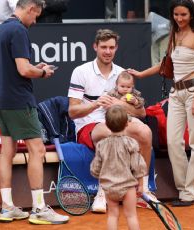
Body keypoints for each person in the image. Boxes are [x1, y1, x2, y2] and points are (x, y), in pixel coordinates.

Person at [0, 0, 69, 225]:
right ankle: (39, 208)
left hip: (3, 98)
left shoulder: (2, 28)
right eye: (36, 16)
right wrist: (42, 72)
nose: (35, 21)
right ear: (30, 9)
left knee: (8, 150)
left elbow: (18, 67)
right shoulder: (18, 29)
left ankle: (7, 208)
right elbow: (23, 69)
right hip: (19, 100)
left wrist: (36, 67)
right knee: (37, 150)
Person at [129, 0, 194, 207]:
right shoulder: (173, 34)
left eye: (183, 15)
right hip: (176, 93)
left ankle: (192, 192)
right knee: (173, 142)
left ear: (191, 14)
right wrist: (140, 74)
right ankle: (183, 188)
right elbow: (164, 64)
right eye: (176, 15)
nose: (180, 19)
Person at [68, 28, 155, 213]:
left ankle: (143, 191)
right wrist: (96, 104)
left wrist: (119, 104)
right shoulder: (81, 71)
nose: (108, 51)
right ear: (95, 47)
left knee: (145, 133)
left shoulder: (122, 74)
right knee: (109, 134)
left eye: (111, 47)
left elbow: (142, 113)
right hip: (89, 125)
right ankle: (102, 192)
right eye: (103, 47)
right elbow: (73, 112)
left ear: (116, 48)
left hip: (119, 122)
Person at [90, 105, 147, 230]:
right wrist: (142, 185)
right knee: (131, 216)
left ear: (106, 124)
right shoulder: (131, 143)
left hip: (110, 188)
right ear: (127, 124)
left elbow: (95, 168)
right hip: (127, 187)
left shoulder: (101, 145)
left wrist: (99, 176)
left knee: (112, 215)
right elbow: (138, 166)